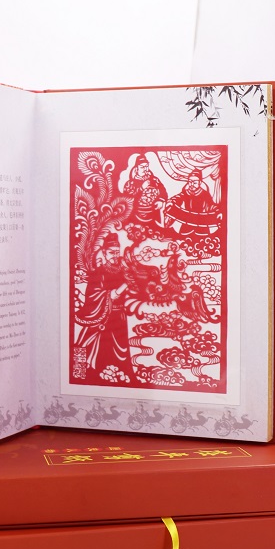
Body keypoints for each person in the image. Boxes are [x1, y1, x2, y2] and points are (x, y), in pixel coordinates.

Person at [73, 233, 133, 382]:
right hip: (102, 318)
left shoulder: (124, 271)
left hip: (119, 319)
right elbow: (94, 297)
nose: (115, 256)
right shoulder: (98, 274)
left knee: (120, 354)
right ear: (104, 253)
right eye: (112, 253)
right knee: (96, 350)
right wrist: (123, 287)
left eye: (117, 252)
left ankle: (121, 378)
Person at [166, 169, 222, 237]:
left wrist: (218, 211)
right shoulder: (186, 193)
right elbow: (178, 198)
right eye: (190, 182)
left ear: (200, 182)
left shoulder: (204, 194)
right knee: (184, 237)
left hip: (201, 222)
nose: (192, 185)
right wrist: (172, 202)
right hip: (187, 222)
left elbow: (211, 205)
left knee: (202, 238)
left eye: (195, 183)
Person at [123, 153, 168, 228]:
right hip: (136, 216)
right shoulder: (130, 183)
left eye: (147, 166)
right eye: (142, 167)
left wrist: (161, 200)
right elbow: (128, 199)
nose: (145, 169)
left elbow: (163, 192)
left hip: (154, 214)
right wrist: (141, 188)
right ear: (136, 168)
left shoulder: (154, 180)